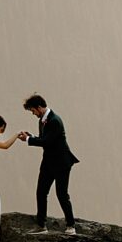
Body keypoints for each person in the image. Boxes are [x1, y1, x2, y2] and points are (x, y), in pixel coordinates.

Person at [19, 93, 79, 234]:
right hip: (48, 162)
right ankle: (41, 225)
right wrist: (32, 137)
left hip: (62, 163)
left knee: (62, 194)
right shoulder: (42, 121)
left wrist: (27, 140)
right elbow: (43, 138)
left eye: (33, 111)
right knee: (41, 192)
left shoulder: (54, 121)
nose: (33, 114)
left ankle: (71, 226)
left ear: (39, 107)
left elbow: (47, 142)